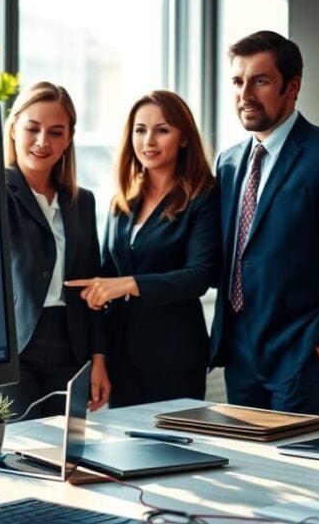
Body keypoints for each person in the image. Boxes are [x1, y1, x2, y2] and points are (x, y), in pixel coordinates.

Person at [210, 30, 319, 415]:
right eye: (238, 81)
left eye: (260, 80)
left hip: (300, 353)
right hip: (238, 354)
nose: (244, 95)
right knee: (249, 470)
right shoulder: (228, 162)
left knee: (297, 469)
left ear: (293, 86)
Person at [66, 91, 219, 407]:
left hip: (174, 359)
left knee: (175, 453)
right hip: (121, 359)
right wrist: (99, 358)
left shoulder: (204, 197)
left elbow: (199, 276)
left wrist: (129, 284)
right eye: (140, 129)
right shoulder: (122, 201)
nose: (149, 140)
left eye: (162, 130)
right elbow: (104, 279)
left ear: (184, 139)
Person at [0, 81, 110, 418]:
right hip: (12, 348)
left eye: (56, 132)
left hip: (70, 349)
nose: (43, 142)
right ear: (13, 129)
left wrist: (98, 359)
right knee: (18, 451)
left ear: (69, 138)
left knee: (64, 456)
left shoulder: (80, 201)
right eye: (33, 128)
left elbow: (93, 287)